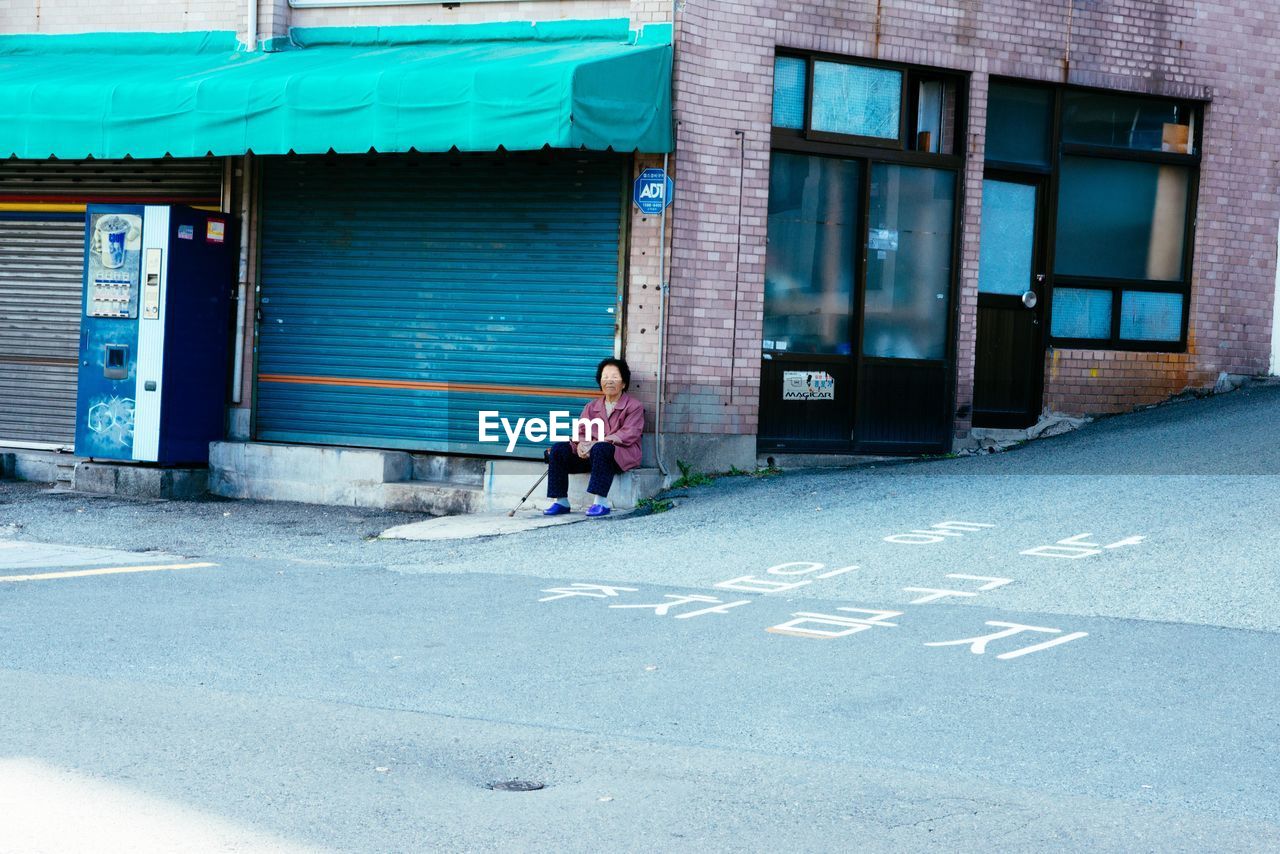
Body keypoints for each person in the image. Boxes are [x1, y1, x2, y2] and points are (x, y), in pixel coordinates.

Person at [544, 357, 643, 518]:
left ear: (624, 383)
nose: (609, 381)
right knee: (558, 449)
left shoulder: (634, 406)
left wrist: (599, 442)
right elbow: (581, 431)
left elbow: (630, 432)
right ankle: (561, 501)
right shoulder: (591, 406)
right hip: (592, 455)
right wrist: (581, 444)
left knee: (601, 448)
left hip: (620, 455)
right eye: (605, 377)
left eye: (614, 377)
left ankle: (600, 502)